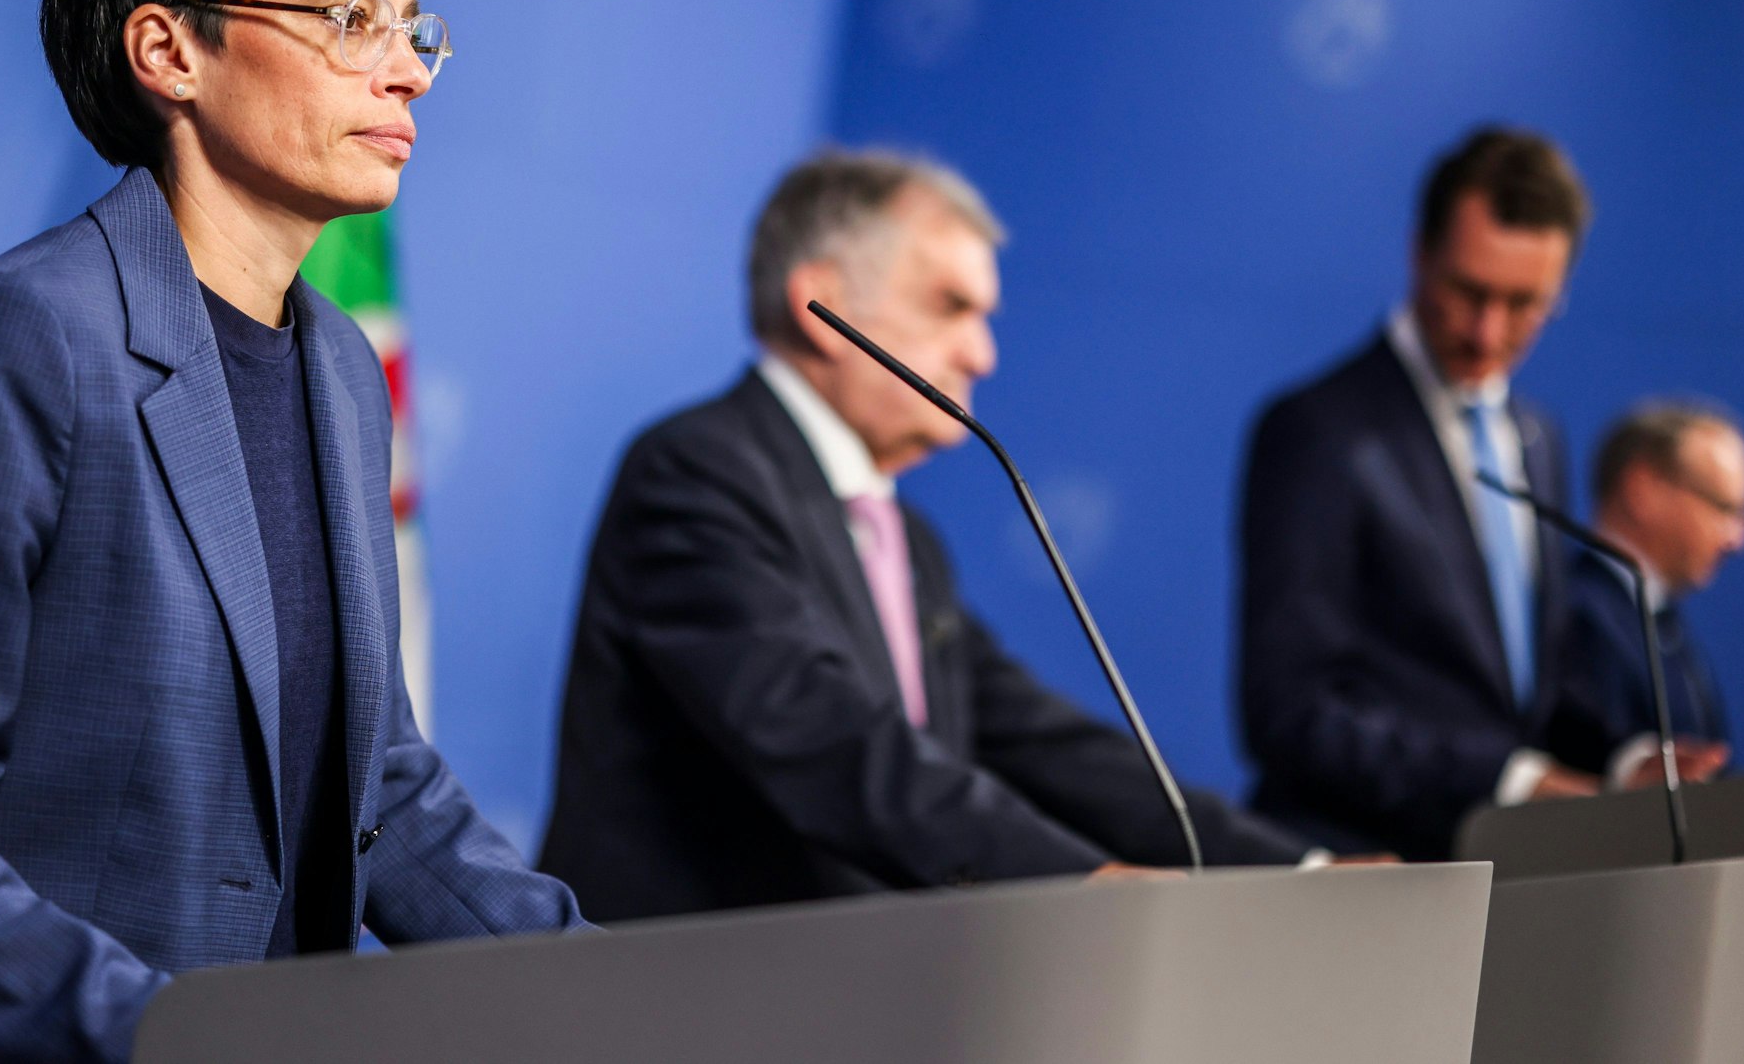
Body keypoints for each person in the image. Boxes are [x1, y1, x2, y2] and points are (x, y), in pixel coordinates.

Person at [0, 0, 587, 1064]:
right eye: (351, 19)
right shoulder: (19, 336)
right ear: (170, 51)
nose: (407, 73)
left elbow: (381, 791)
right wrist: (166, 1034)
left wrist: (609, 983)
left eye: (413, 30)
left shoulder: (344, 373)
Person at [538, 147, 1311, 924]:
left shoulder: (906, 538)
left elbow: (1036, 743)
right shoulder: (696, 473)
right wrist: (1076, 883)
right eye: (950, 307)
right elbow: (827, 741)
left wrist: (1292, 869)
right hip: (666, 997)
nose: (982, 353)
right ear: (825, 307)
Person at [1237, 126, 1624, 861]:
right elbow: (1289, 711)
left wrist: (1628, 760)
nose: (1488, 332)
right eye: (1468, 292)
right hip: (1366, 876)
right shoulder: (1318, 431)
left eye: (1524, 304)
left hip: (1512, 878)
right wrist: (1508, 778)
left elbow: (1524, 689)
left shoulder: (1538, 437)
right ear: (1419, 255)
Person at [1563, 401, 1744, 780]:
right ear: (1642, 490)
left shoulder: (1664, 624)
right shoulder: (1574, 611)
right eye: (1723, 508)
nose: (1739, 539)